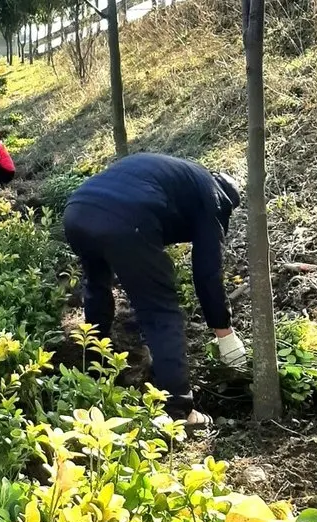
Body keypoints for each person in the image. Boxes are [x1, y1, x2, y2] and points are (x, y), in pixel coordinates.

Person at [63, 153, 246, 426]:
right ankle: (180, 410)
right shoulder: (213, 198)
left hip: (77, 212)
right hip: (126, 217)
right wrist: (225, 334)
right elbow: (208, 273)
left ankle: (95, 365)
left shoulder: (181, 175)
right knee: (160, 310)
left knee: (97, 285)